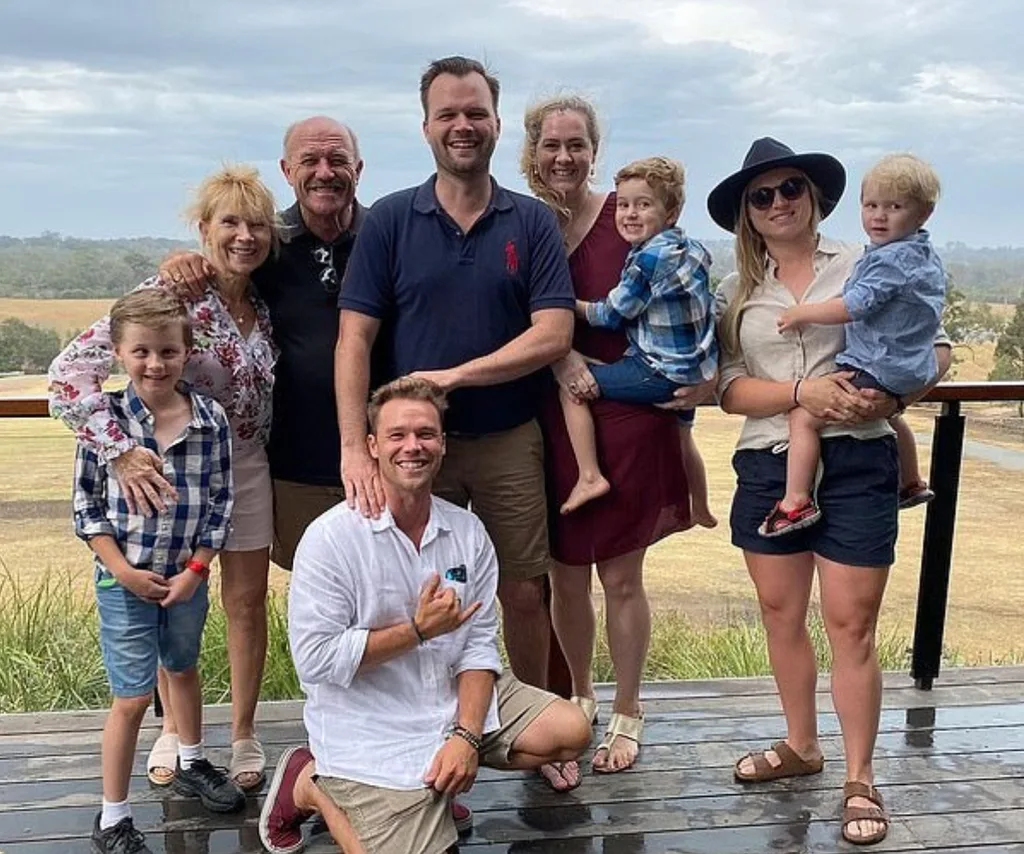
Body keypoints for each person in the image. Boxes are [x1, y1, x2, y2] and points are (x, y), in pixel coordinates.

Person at [707, 137, 952, 845]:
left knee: (852, 625)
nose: (779, 202)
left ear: (815, 197)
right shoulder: (736, 292)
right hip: (768, 464)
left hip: (857, 463)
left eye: (791, 188)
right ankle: (801, 746)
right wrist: (798, 391)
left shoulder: (869, 259)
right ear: (748, 215)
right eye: (762, 195)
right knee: (781, 616)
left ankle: (860, 776)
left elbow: (935, 347)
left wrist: (893, 400)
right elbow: (727, 390)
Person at [262, 376, 591, 854]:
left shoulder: (466, 531)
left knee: (570, 731)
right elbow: (315, 661)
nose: (412, 447)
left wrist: (465, 737)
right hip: (369, 724)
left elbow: (479, 645)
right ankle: (310, 781)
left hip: (449, 698)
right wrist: (416, 631)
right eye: (397, 435)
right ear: (372, 446)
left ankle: (434, 784)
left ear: (442, 444)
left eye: (425, 434)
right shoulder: (331, 539)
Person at [336, 57, 575, 697]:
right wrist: (353, 448)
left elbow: (554, 333)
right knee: (407, 593)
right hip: (410, 446)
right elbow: (353, 339)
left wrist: (458, 376)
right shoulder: (388, 220)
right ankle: (429, 725)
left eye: (475, 113)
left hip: (506, 439)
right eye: (449, 114)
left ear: (497, 124)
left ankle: (530, 724)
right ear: (426, 127)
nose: (463, 126)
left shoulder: (531, 222)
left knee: (525, 589)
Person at [49, 164, 279, 791]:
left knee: (244, 601)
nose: (244, 236)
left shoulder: (265, 297)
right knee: (159, 591)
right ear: (203, 229)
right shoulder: (172, 293)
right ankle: (172, 732)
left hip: (243, 463)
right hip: (165, 464)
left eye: (257, 224)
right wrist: (121, 451)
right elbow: (68, 374)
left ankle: (241, 733)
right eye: (229, 222)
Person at [520, 95, 714, 783]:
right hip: (551, 418)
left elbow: (694, 309)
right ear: (534, 151)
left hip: (629, 416)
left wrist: (710, 379)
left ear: (593, 149)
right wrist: (558, 359)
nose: (564, 156)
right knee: (563, 578)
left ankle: (628, 710)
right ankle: (580, 698)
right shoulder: (522, 220)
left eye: (576, 143)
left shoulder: (627, 216)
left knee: (622, 580)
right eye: (551, 144)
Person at [74, 290, 244, 854]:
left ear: (186, 352)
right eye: (141, 351)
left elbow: (221, 499)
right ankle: (113, 816)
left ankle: (193, 761)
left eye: (168, 351)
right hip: (125, 582)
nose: (155, 364)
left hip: (184, 579)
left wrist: (198, 569)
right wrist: (121, 571)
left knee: (185, 666)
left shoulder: (209, 418)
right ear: (119, 354)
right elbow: (87, 507)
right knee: (132, 697)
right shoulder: (106, 424)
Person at [159, 116, 367, 570]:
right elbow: (224, 264)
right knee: (313, 598)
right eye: (309, 160)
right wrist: (183, 261)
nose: (325, 172)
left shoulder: (388, 237)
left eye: (338, 160)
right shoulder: (270, 245)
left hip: (382, 457)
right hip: (294, 466)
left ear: (360, 168)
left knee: (393, 590)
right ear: (287, 170)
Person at [763, 153, 945, 536]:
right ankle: (910, 482)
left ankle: (795, 500)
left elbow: (854, 305)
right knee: (892, 416)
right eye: (871, 205)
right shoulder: (921, 254)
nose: (879, 216)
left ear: (922, 214)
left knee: (803, 418)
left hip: (878, 363)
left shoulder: (886, 261)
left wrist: (802, 312)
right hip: (906, 368)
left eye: (894, 207)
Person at [558, 155, 717, 516]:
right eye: (623, 204)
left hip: (659, 370)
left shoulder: (648, 259)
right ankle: (701, 507)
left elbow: (612, 314)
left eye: (643, 205)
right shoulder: (693, 250)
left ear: (670, 212)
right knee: (683, 435)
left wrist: (566, 303)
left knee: (572, 388)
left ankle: (589, 476)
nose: (629, 213)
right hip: (692, 369)